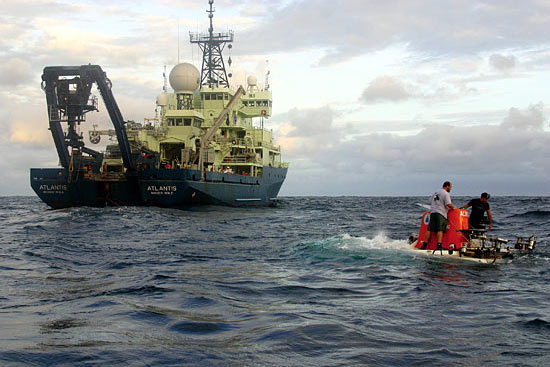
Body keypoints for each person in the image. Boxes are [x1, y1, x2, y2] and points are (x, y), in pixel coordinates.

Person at [420, 181, 457, 250]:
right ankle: (439, 245)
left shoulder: (436, 192)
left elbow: (430, 201)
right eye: (450, 187)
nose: (450, 189)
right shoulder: (446, 194)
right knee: (440, 229)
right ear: (447, 186)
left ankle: (424, 245)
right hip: (441, 213)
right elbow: (448, 204)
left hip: (433, 212)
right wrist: (454, 207)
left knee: (429, 229)